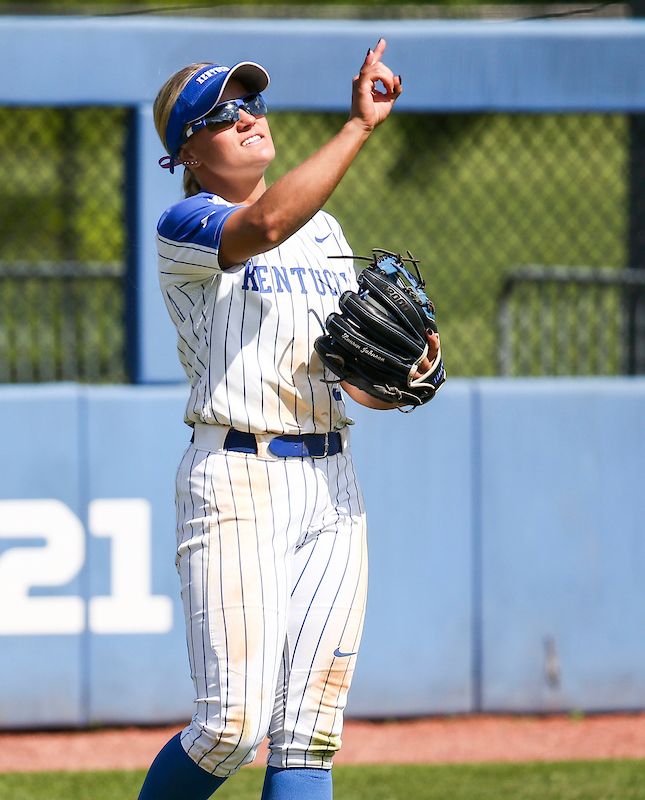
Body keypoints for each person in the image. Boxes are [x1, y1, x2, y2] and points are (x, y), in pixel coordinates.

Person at [138, 40, 437, 800]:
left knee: (309, 733)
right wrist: (360, 128)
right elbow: (265, 225)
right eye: (220, 114)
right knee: (230, 729)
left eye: (250, 103)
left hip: (332, 485)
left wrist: (398, 374)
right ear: (189, 155)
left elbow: (345, 375)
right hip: (238, 480)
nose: (245, 118)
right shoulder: (187, 225)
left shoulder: (327, 231)